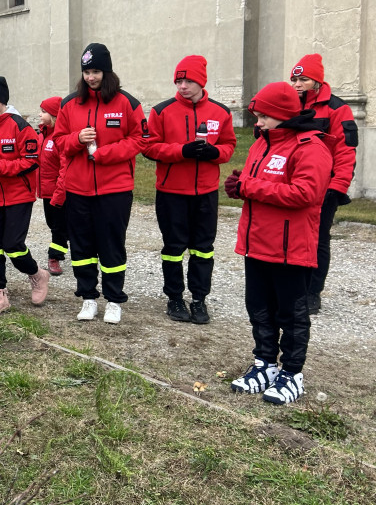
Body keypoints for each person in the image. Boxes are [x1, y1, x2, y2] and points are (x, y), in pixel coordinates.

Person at [226, 81, 332, 404]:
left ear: (283, 116)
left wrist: (249, 187)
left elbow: (305, 193)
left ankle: (292, 373)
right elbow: (254, 181)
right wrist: (239, 185)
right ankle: (265, 364)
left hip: (290, 249)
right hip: (256, 243)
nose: (256, 123)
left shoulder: (311, 147)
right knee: (259, 308)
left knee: (292, 314)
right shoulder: (262, 143)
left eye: (263, 117)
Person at [52, 43, 147, 324]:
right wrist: (76, 139)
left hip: (114, 189)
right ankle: (88, 298)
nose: (91, 77)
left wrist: (104, 154)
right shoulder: (70, 104)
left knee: (111, 245)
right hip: (78, 189)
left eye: (95, 71)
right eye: (86, 72)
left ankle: (114, 300)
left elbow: (141, 139)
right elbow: (58, 142)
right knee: (81, 247)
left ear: (107, 72)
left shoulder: (127, 103)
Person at [143, 55, 236, 324]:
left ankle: (199, 299)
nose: (182, 86)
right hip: (172, 192)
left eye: (188, 80)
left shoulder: (221, 112)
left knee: (203, 248)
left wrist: (213, 152)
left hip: (206, 192)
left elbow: (229, 146)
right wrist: (181, 151)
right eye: (178, 80)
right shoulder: (162, 111)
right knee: (173, 247)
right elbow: (149, 147)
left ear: (201, 81)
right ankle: (174, 297)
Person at [288, 54, 358, 315]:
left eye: (303, 79)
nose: (297, 84)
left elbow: (346, 151)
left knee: (318, 241)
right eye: (294, 79)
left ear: (317, 81)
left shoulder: (337, 109)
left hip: (324, 187)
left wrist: (338, 187)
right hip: (293, 185)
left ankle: (312, 292)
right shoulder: (288, 105)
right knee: (291, 236)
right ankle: (292, 286)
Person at [0, 76, 49, 316]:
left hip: (19, 197)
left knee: (13, 246)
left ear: (3, 100)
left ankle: (37, 274)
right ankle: (0, 295)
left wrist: (1, 167)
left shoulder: (20, 126)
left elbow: (31, 161)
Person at [36, 96, 68, 276]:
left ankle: (54, 257)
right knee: (53, 224)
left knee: (58, 226)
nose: (39, 115)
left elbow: (65, 169)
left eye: (43, 111)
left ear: (55, 115)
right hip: (46, 192)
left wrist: (59, 194)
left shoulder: (59, 138)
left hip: (59, 193)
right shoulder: (42, 135)